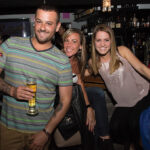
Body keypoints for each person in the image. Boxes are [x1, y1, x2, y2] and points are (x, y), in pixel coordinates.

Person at [0, 5, 73, 150]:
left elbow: (65, 101)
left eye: (49, 23)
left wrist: (47, 132)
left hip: (40, 132)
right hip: (8, 130)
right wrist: (11, 91)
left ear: (57, 26)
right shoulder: (10, 45)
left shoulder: (62, 61)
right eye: (39, 21)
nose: (42, 28)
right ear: (34, 21)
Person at [87, 24, 150, 150]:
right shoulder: (94, 62)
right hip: (123, 103)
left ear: (111, 41)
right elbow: (83, 74)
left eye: (106, 40)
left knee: (134, 123)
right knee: (114, 128)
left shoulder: (121, 51)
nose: (102, 44)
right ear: (94, 42)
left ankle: (133, 146)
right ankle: (131, 145)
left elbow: (141, 68)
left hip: (143, 94)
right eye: (98, 40)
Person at [63, 28, 96, 132]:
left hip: (70, 101)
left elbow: (80, 83)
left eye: (74, 41)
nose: (68, 45)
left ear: (80, 46)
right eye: (66, 40)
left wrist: (88, 107)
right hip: (57, 103)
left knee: (98, 94)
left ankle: (102, 137)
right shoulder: (58, 58)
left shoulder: (76, 62)